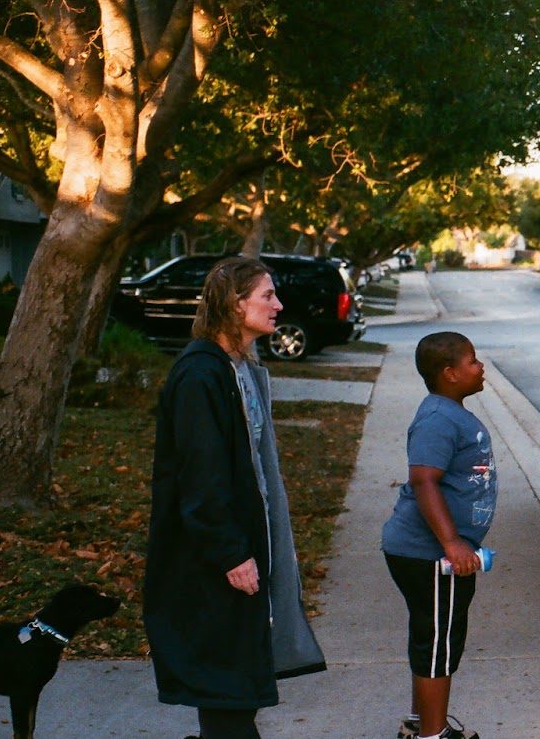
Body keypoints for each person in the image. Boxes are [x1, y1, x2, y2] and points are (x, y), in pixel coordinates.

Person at [144, 257, 326, 739]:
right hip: (213, 561)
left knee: (234, 692)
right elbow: (201, 476)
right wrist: (231, 553)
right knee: (228, 693)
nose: (279, 305)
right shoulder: (201, 375)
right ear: (234, 302)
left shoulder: (238, 367)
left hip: (239, 550)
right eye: (267, 295)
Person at [381, 331, 497, 739]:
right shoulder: (439, 419)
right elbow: (424, 481)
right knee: (438, 643)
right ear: (449, 374)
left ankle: (420, 723)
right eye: (472, 361)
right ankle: (433, 735)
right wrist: (452, 541)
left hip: (429, 553)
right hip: (430, 554)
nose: (480, 366)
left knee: (432, 637)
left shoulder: (448, 412)